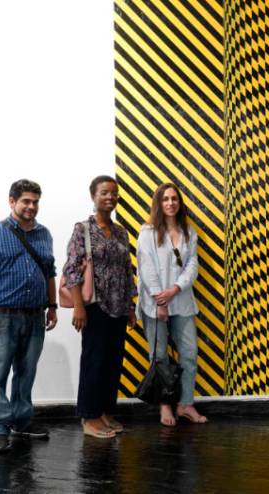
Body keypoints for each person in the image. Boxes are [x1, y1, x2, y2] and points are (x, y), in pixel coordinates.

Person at [0, 179, 58, 452]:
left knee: (26, 374)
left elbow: (50, 273)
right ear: (12, 201)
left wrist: (52, 306)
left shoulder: (44, 234)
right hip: (0, 318)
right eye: (26, 201)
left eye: (35, 202)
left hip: (35, 317)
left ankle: (21, 422)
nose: (31, 206)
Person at [63, 175, 136, 438]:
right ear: (93, 196)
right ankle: (89, 416)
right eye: (104, 192)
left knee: (112, 363)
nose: (110, 197)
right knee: (93, 361)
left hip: (118, 307)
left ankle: (105, 411)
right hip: (94, 306)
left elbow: (127, 270)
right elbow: (72, 269)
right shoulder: (83, 229)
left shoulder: (121, 232)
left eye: (113, 193)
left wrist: (130, 306)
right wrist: (78, 307)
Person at [136, 183, 208, 425]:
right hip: (155, 304)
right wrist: (160, 298)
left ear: (179, 202)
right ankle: (165, 406)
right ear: (159, 203)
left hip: (182, 301)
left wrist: (175, 289)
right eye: (165, 199)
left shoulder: (189, 232)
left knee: (189, 353)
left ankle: (185, 404)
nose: (170, 203)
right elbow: (146, 268)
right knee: (159, 356)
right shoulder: (147, 233)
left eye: (174, 199)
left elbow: (192, 265)